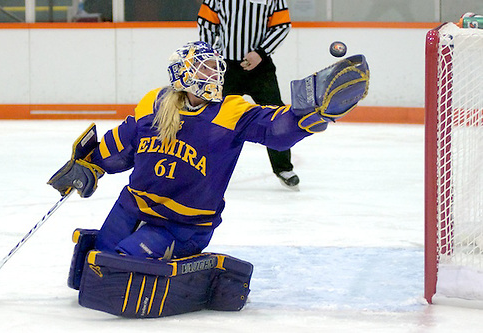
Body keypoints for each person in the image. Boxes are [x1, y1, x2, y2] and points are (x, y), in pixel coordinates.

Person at [48, 41, 369, 318]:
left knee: (117, 272)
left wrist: (313, 112)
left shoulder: (232, 111)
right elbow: (122, 142)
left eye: (216, 70)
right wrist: (89, 165)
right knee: (94, 269)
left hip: (181, 224)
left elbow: (276, 128)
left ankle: (190, 267)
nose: (214, 77)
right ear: (182, 75)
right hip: (132, 207)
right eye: (203, 71)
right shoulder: (153, 103)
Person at [197, 0, 299, 190]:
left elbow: (282, 26)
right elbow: (206, 22)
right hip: (226, 67)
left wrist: (261, 52)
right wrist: (210, 54)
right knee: (214, 116)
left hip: (261, 68)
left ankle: (283, 168)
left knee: (277, 115)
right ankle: (206, 167)